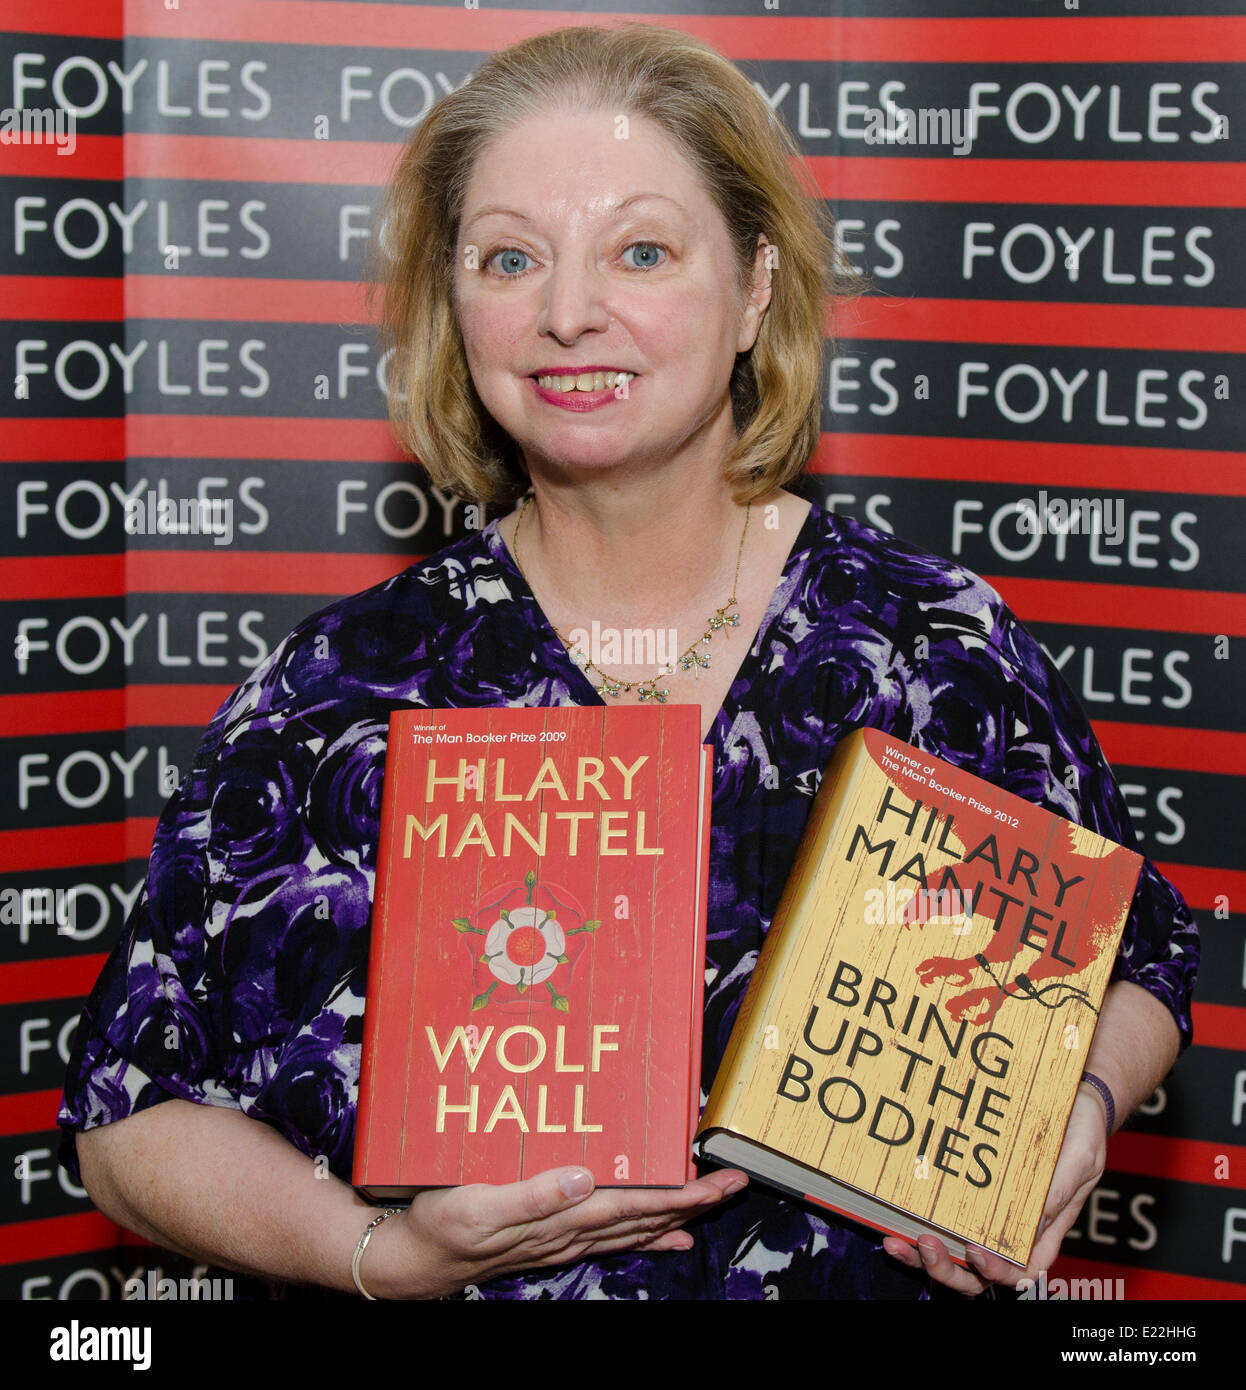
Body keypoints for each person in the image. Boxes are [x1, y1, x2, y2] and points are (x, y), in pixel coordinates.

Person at [58, 24, 1198, 1301]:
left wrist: (1081, 1099)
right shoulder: (341, 690)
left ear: (755, 285)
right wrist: (386, 1255)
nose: (565, 314)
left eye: (640, 250)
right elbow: (128, 1120)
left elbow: (1135, 960)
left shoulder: (933, 645)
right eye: (509, 258)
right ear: (457, 300)